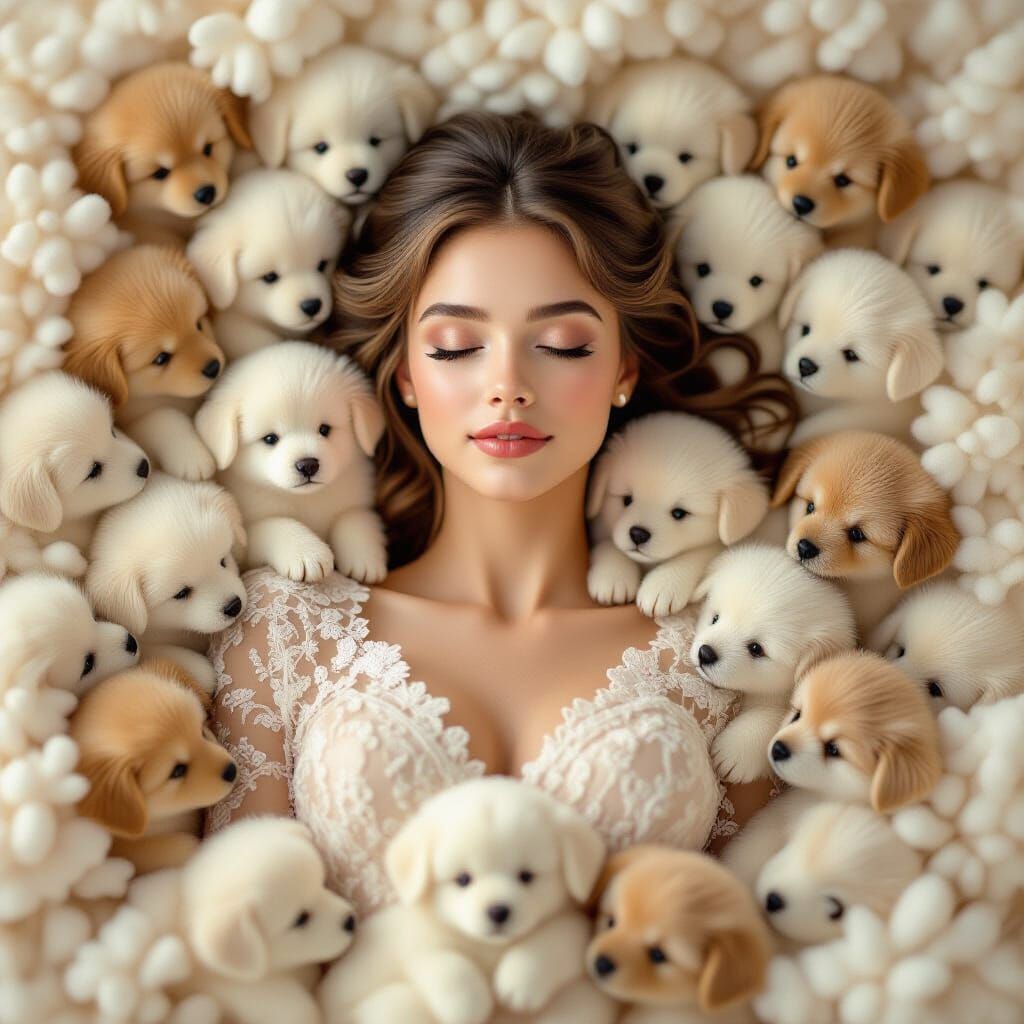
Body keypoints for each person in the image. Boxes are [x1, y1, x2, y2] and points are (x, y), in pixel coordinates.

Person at [204, 111, 796, 918]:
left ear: (624, 366)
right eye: (455, 346)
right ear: (407, 372)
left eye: (561, 343)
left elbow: (757, 950)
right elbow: (234, 950)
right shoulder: (283, 635)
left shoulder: (724, 653)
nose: (508, 385)